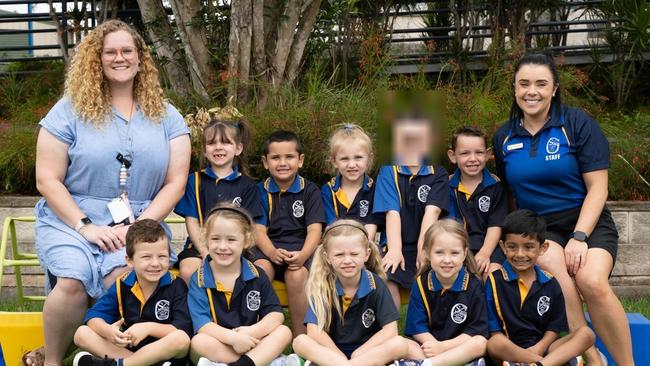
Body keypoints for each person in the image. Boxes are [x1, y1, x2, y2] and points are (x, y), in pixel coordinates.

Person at [30, 19, 191, 366]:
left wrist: (139, 228)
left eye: (127, 51)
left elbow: (176, 182)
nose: (120, 58)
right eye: (110, 52)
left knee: (124, 278)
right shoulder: (69, 110)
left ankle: (120, 358)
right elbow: (47, 178)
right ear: (97, 59)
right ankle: (53, 359)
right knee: (73, 280)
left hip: (140, 220)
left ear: (140, 58)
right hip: (72, 217)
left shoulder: (167, 115)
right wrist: (86, 226)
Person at [492, 53, 632, 365]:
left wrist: (580, 236)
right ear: (514, 89)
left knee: (591, 282)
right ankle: (591, 356)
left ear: (554, 88)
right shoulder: (503, 136)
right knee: (560, 276)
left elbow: (598, 187)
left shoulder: (577, 123)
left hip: (586, 221)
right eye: (524, 83)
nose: (532, 91)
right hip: (540, 229)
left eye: (541, 84)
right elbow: (510, 192)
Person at [72, 220, 192, 366]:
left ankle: (119, 364)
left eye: (162, 256)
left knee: (181, 339)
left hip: (165, 354)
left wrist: (147, 328)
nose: (155, 263)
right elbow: (93, 317)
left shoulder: (176, 285)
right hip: (131, 351)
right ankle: (135, 363)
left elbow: (183, 329)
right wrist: (109, 331)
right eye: (146, 257)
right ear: (129, 261)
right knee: (82, 334)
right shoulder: (122, 284)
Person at [290, 220, 409, 366]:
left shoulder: (376, 284)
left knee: (400, 343)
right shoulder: (322, 285)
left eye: (354, 254)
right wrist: (340, 358)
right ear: (327, 257)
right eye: (339, 255)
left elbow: (390, 331)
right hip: (332, 353)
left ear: (366, 254)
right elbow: (314, 332)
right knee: (300, 342)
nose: (347, 260)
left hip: (368, 352)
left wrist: (357, 356)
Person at [485, 210, 594, 365]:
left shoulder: (550, 282)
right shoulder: (494, 281)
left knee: (586, 334)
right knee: (494, 344)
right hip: (509, 350)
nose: (520, 254)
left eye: (528, 247)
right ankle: (549, 363)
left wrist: (538, 348)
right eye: (512, 247)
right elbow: (494, 331)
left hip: (543, 347)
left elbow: (554, 328)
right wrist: (527, 355)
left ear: (543, 248)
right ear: (503, 247)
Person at [187, 204, 292, 366]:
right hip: (220, 344)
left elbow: (275, 314)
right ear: (205, 239)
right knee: (198, 342)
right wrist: (234, 338)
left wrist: (251, 332)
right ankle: (262, 361)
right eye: (215, 239)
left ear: (246, 240)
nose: (222, 246)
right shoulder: (199, 278)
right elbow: (203, 325)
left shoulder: (257, 274)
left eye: (231, 239)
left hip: (251, 340)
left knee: (283, 332)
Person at [252, 130, 325, 335]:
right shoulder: (258, 191)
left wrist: (302, 256)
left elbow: (314, 230)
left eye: (289, 157)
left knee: (297, 274)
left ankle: (301, 338)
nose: (282, 162)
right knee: (260, 270)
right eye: (275, 157)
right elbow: (257, 230)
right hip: (268, 249)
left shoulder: (310, 191)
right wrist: (272, 252)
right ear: (265, 162)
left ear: (300, 160)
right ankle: (259, 333)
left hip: (301, 250)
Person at [373, 116, 450, 308]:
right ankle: (391, 332)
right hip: (396, 241)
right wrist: (395, 250)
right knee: (387, 273)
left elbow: (432, 213)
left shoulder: (437, 172)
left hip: (428, 241)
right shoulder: (388, 171)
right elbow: (392, 213)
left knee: (435, 274)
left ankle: (429, 333)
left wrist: (423, 250)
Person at [174, 116, 262, 283]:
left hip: (234, 248)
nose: (218, 147)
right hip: (198, 247)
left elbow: (250, 228)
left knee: (236, 274)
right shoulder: (194, 181)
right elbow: (191, 222)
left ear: (238, 148)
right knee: (188, 271)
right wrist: (206, 252)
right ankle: (195, 310)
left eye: (226, 142)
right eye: (212, 143)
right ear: (205, 151)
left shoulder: (248, 186)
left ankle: (229, 309)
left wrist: (230, 251)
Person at [404, 219, 488, 366]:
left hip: (459, 348)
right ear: (428, 254)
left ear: (464, 254)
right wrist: (434, 345)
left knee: (480, 343)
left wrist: (442, 348)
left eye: (455, 253)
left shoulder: (474, 285)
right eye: (439, 253)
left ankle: (428, 364)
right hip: (428, 347)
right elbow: (417, 328)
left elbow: (475, 330)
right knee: (402, 344)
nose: (447, 260)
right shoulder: (421, 283)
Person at [447, 126, 507, 279]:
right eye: (465, 153)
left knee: (493, 274)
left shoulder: (495, 186)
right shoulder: (447, 186)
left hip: (489, 247)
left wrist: (485, 253)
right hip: (456, 248)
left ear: (487, 154)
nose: (473, 158)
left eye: (479, 152)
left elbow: (496, 226)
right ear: (453, 156)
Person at [321, 124, 379, 240]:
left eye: (358, 157)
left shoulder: (375, 189)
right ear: (334, 161)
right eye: (344, 159)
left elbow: (371, 226)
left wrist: (359, 249)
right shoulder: (328, 191)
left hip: (364, 246)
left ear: (369, 158)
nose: (352, 165)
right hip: (336, 246)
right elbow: (331, 228)